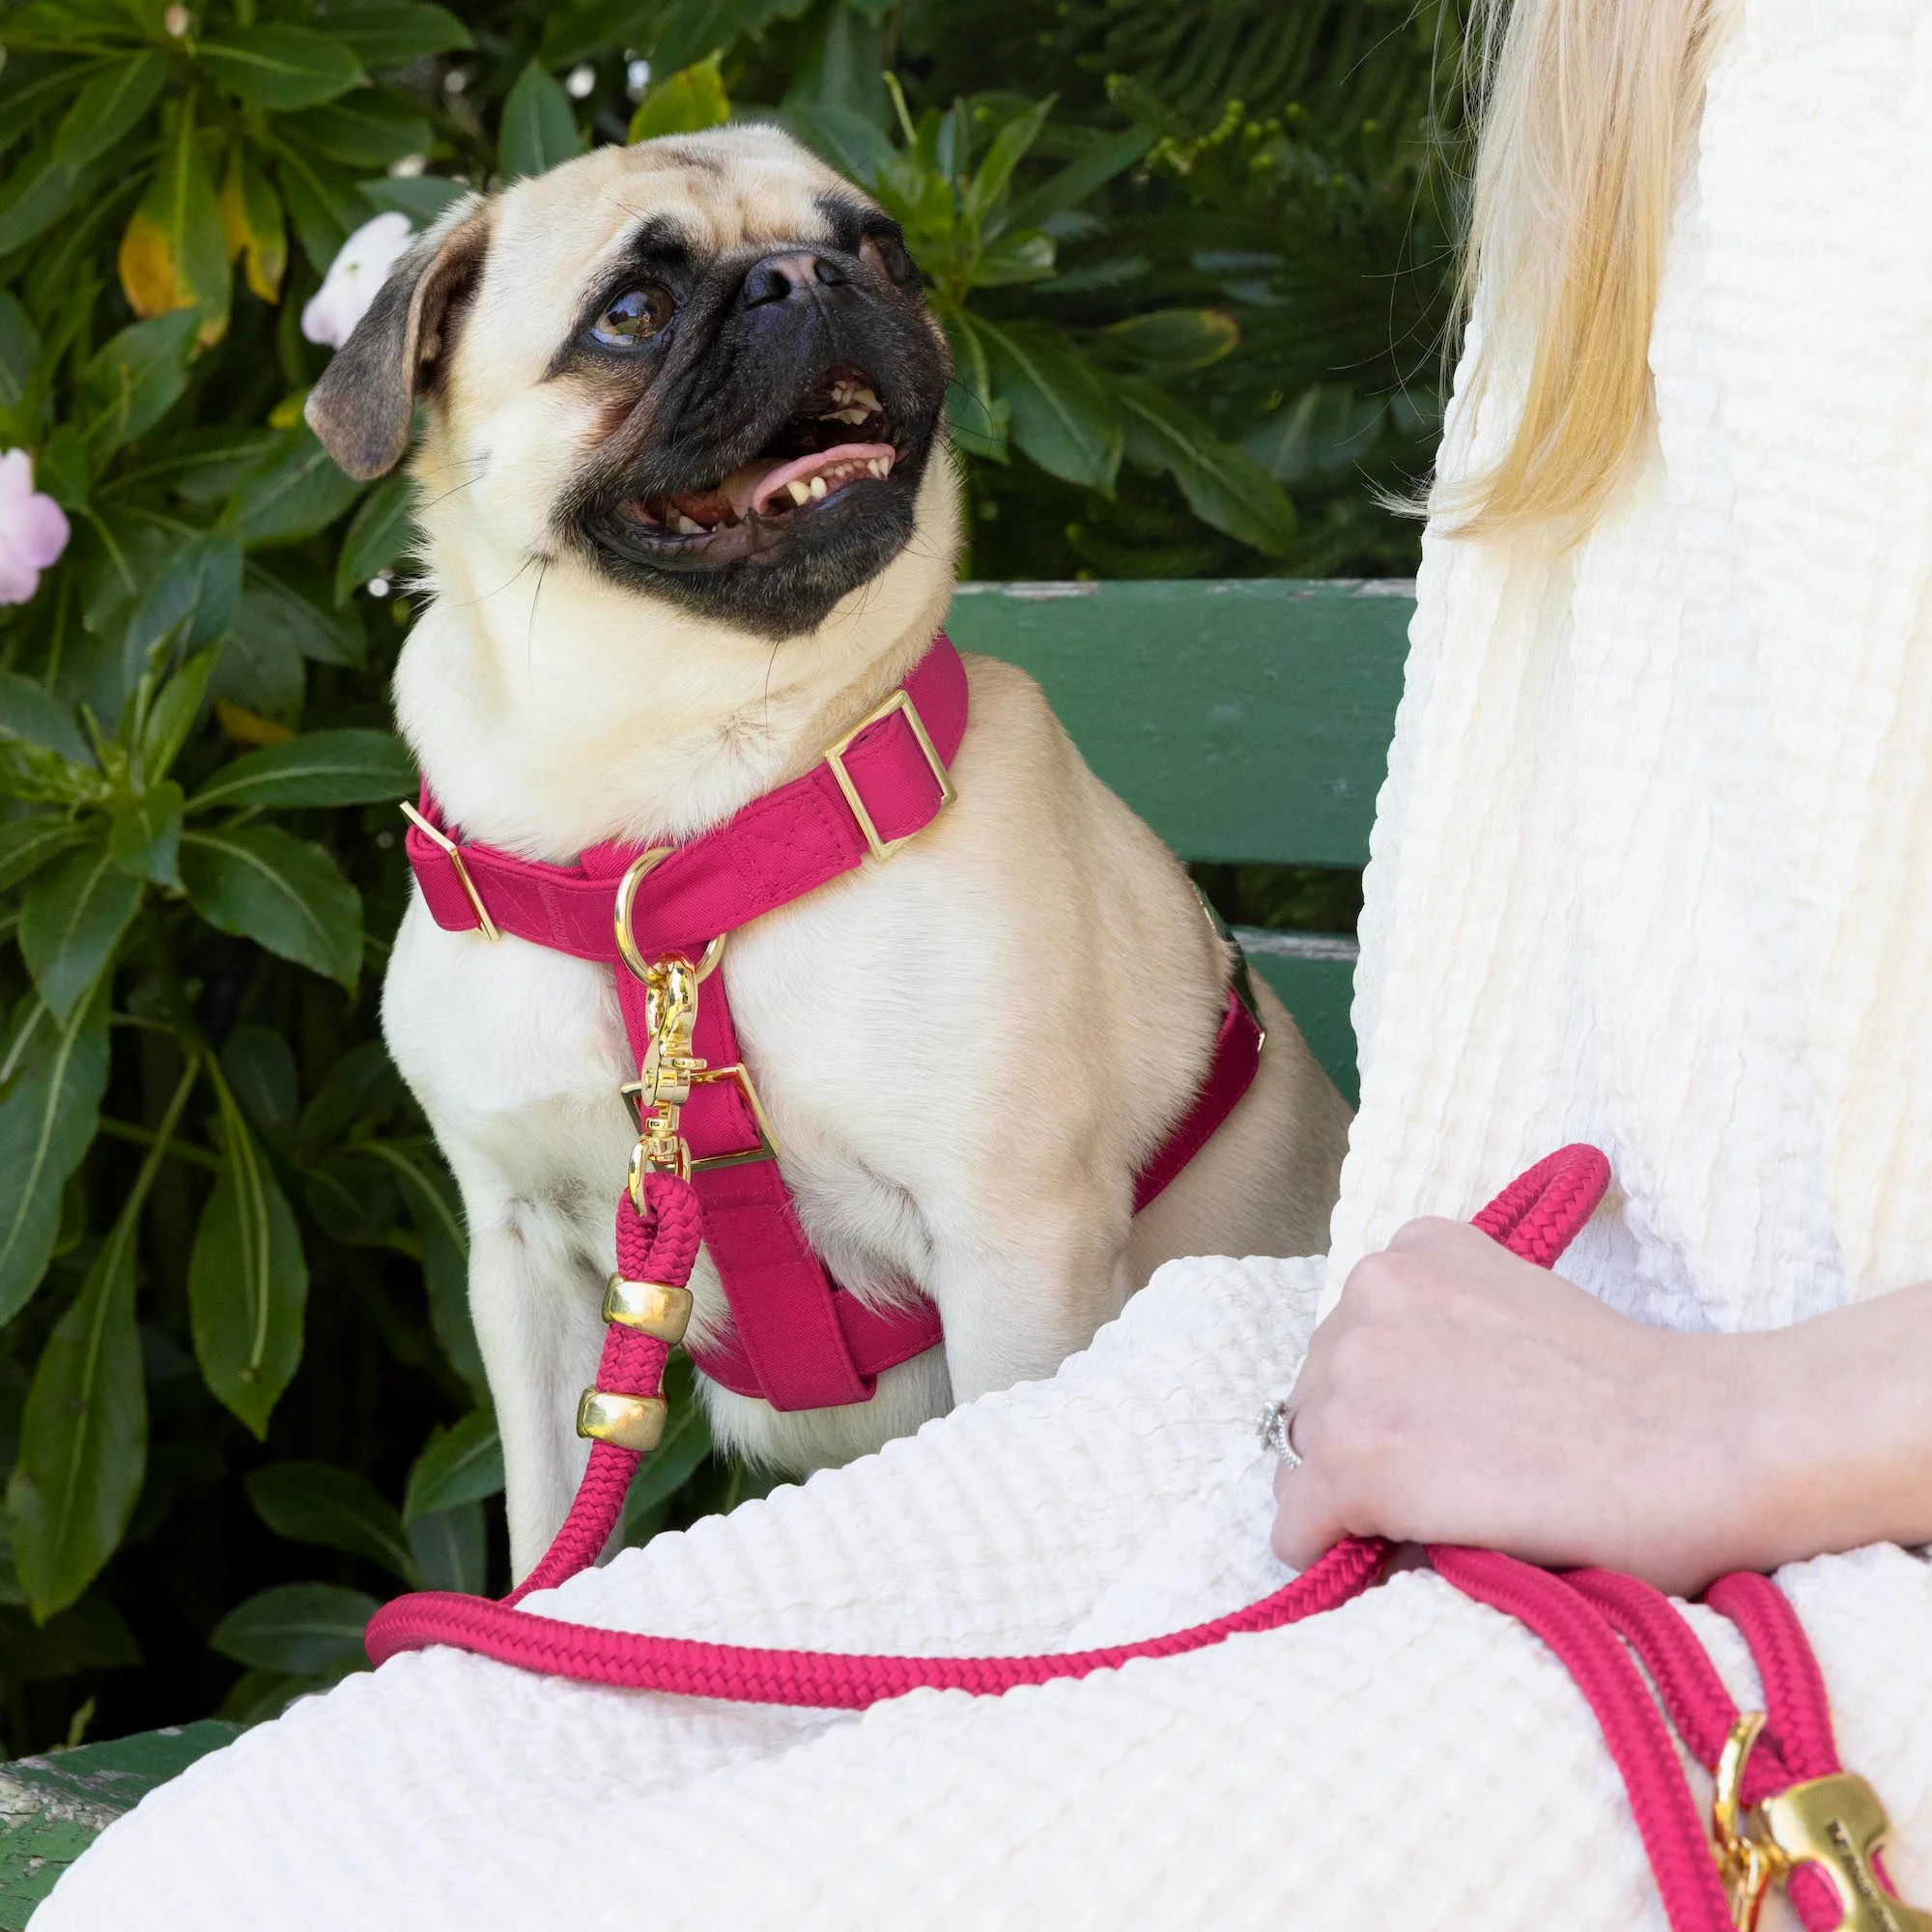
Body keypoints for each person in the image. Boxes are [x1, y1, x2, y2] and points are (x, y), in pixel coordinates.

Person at [41, 0, 1932, 1923]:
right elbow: (525, 1238)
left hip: (1194, 1466)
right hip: (1343, 1435)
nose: (797, 307)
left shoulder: (942, 823)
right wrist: (535, 1638)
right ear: (433, 401)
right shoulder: (496, 893)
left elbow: (1036, 1303)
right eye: (638, 316)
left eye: (849, 263)